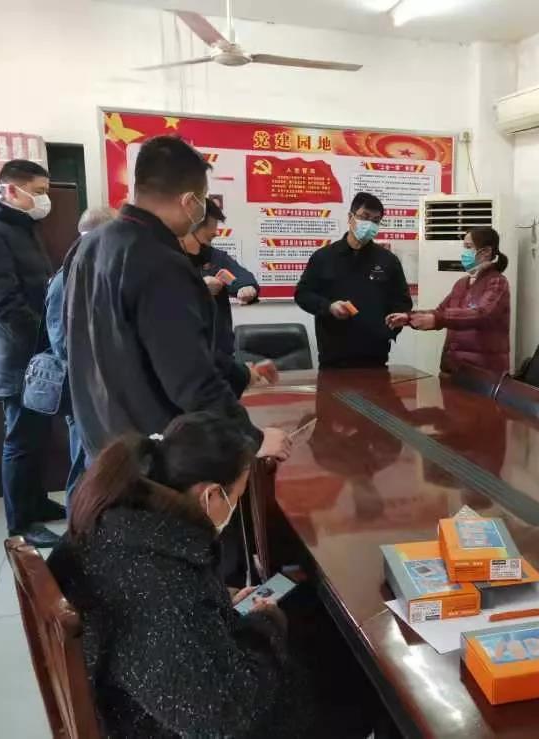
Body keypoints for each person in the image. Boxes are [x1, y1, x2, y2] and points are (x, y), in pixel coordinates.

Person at [47, 412, 355, 738]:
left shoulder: (117, 517)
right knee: (351, 682)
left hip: (127, 695)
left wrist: (216, 606)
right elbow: (223, 717)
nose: (235, 505)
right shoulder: (165, 584)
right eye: (237, 495)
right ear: (211, 495)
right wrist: (266, 624)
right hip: (149, 723)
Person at [65, 136, 289, 462]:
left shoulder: (89, 246)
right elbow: (191, 380)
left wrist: (241, 374)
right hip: (155, 455)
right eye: (202, 199)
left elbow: (151, 347)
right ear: (188, 200)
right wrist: (252, 438)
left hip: (103, 446)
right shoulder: (161, 261)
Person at [0, 160, 63, 548]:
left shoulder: (20, 225)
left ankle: (36, 502)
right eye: (37, 192)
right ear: (11, 190)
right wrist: (45, 341)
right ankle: (20, 523)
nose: (43, 200)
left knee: (37, 436)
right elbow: (0, 305)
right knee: (21, 439)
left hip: (38, 355)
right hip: (18, 357)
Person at [44, 207, 117, 511]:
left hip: (98, 388)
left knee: (97, 462)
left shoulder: (94, 272)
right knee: (83, 464)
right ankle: (78, 526)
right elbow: (62, 343)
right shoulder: (67, 278)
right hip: (81, 389)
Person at [295, 192, 413, 368]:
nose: (369, 224)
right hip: (333, 355)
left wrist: (389, 330)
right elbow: (303, 294)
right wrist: (328, 306)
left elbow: (402, 301)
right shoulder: (324, 257)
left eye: (375, 220)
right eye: (364, 217)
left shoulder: (388, 260)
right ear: (350, 218)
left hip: (375, 355)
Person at [387, 226, 510, 373]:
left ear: (486, 252)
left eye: (468, 247)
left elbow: (482, 314)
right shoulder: (462, 283)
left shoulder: (497, 282)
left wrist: (437, 319)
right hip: (453, 368)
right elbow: (440, 311)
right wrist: (409, 318)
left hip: (483, 373)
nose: (464, 253)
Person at [182, 198, 260, 360]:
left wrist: (246, 288)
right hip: (183, 351)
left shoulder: (216, 257)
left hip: (220, 351)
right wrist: (200, 288)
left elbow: (241, 278)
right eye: (208, 236)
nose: (216, 233)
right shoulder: (167, 259)